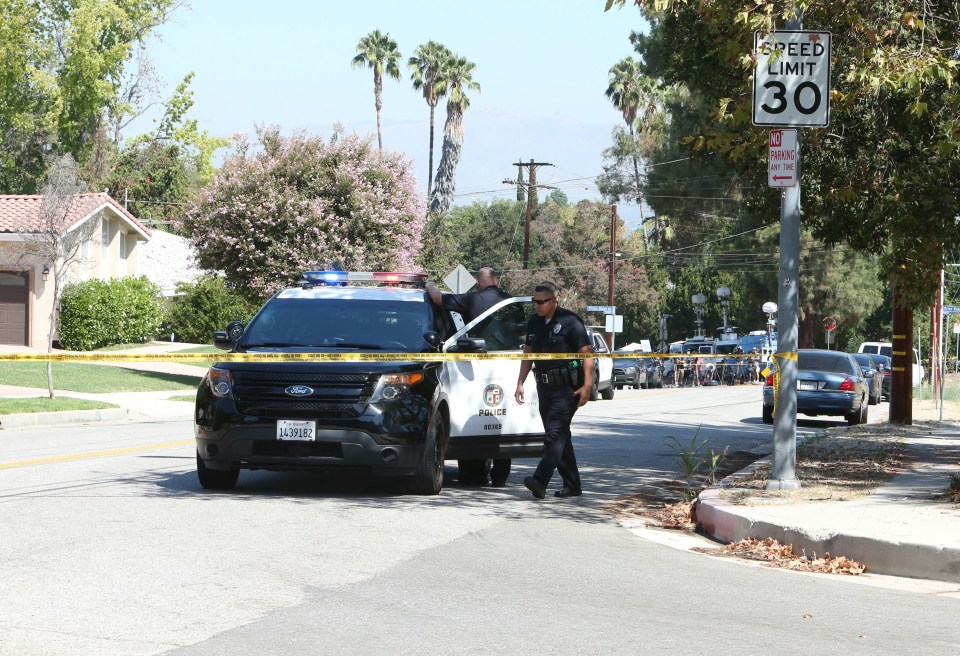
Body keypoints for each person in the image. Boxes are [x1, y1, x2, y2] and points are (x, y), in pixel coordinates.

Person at [426, 266, 513, 487]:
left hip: (477, 365)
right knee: (503, 419)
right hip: (509, 366)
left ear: (478, 281)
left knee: (475, 417)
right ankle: (500, 475)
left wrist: (427, 284)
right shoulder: (511, 302)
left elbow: (437, 299)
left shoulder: (474, 300)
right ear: (496, 279)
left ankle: (473, 474)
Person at [514, 282, 594, 499]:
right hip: (544, 387)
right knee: (561, 437)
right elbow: (529, 354)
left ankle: (540, 480)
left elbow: (587, 354)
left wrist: (587, 386)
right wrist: (520, 382)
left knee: (554, 435)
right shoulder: (534, 322)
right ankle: (573, 485)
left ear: (553, 301)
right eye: (534, 301)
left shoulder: (570, 322)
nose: (536, 306)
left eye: (540, 302)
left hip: (566, 388)